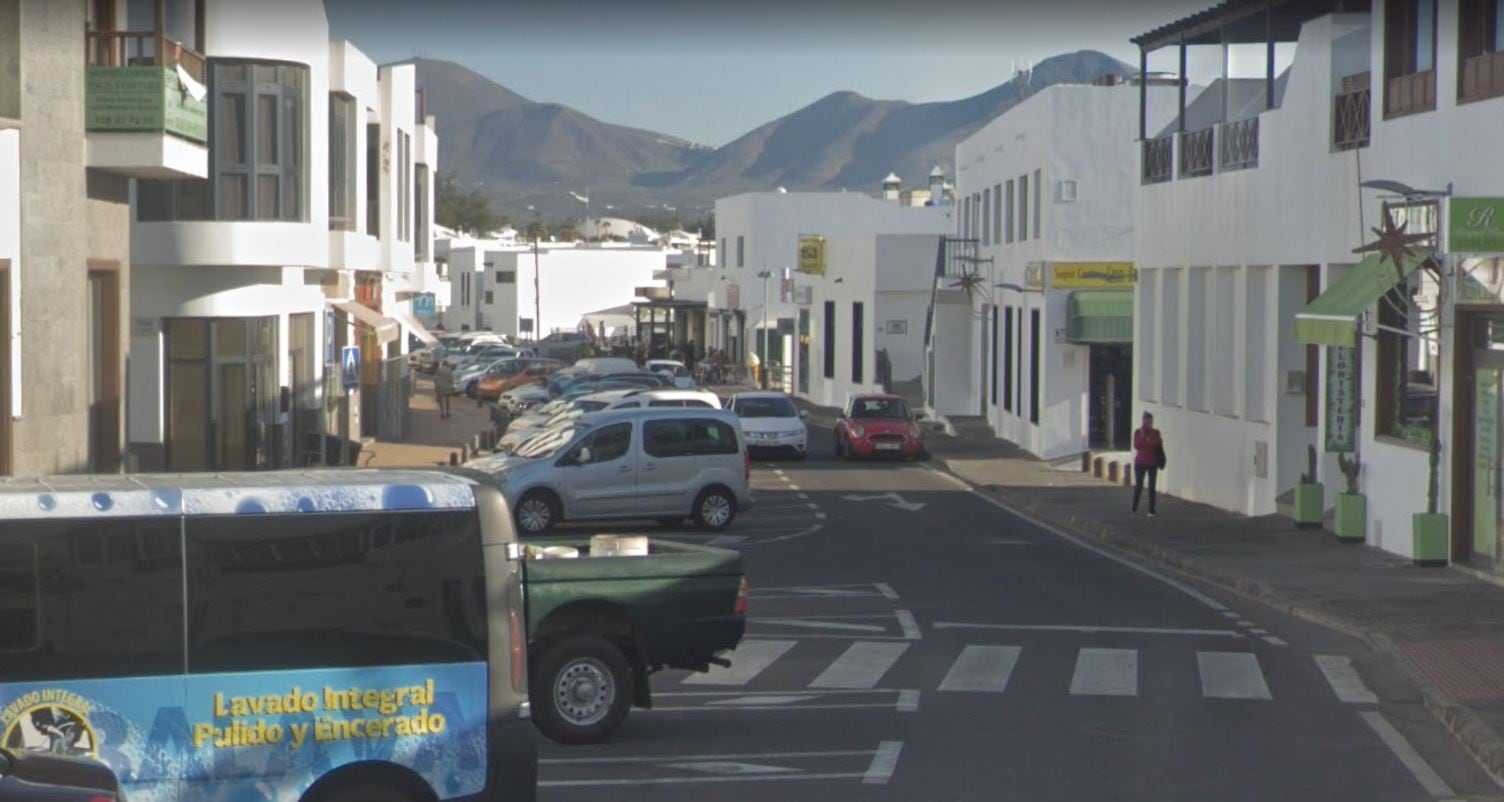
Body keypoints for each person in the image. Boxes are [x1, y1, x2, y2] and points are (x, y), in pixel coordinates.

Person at [1132, 411, 1163, 517]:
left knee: (1151, 488)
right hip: (1140, 463)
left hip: (1152, 463)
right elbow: (1136, 445)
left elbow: (1157, 443)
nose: (1149, 423)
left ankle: (1151, 510)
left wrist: (1147, 441)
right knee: (1139, 485)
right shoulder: (1137, 432)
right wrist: (1147, 440)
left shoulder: (1156, 432)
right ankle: (1134, 506)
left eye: (1151, 421)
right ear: (1143, 421)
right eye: (1147, 421)